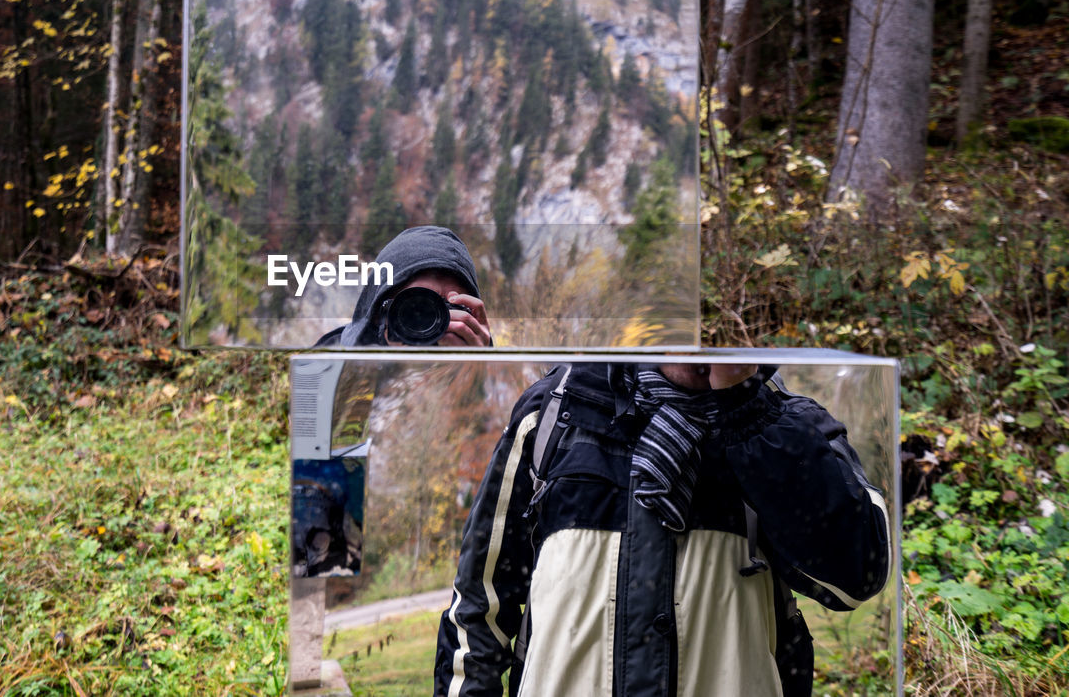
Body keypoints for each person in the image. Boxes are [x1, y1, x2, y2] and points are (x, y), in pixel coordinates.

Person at [434, 361, 891, 697]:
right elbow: (479, 608)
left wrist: (746, 414)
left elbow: (856, 578)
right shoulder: (554, 413)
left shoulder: (786, 425)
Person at [315, 225, 492, 347]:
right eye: (416, 309)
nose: (431, 323)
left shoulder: (497, 382)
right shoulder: (324, 369)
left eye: (451, 308)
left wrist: (480, 371)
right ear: (378, 313)